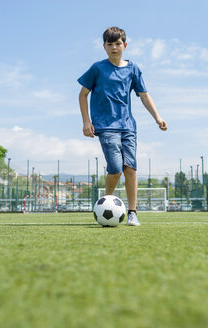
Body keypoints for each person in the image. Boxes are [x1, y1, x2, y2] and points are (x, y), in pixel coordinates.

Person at [78, 27, 167, 226]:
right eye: (109, 44)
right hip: (105, 125)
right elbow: (82, 94)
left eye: (118, 44)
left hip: (128, 126)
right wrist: (86, 121)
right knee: (116, 168)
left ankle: (133, 212)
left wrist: (157, 117)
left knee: (131, 168)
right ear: (104, 47)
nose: (114, 47)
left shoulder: (133, 69)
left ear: (125, 45)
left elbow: (144, 95)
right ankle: (105, 203)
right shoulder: (97, 68)